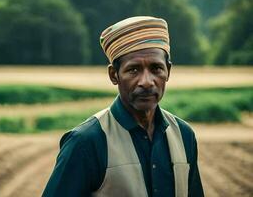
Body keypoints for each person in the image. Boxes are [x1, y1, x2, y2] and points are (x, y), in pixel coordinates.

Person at [42, 16, 204, 197]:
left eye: (156, 68)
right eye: (133, 69)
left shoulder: (184, 135)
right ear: (114, 75)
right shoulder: (86, 142)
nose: (147, 82)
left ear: (168, 71)